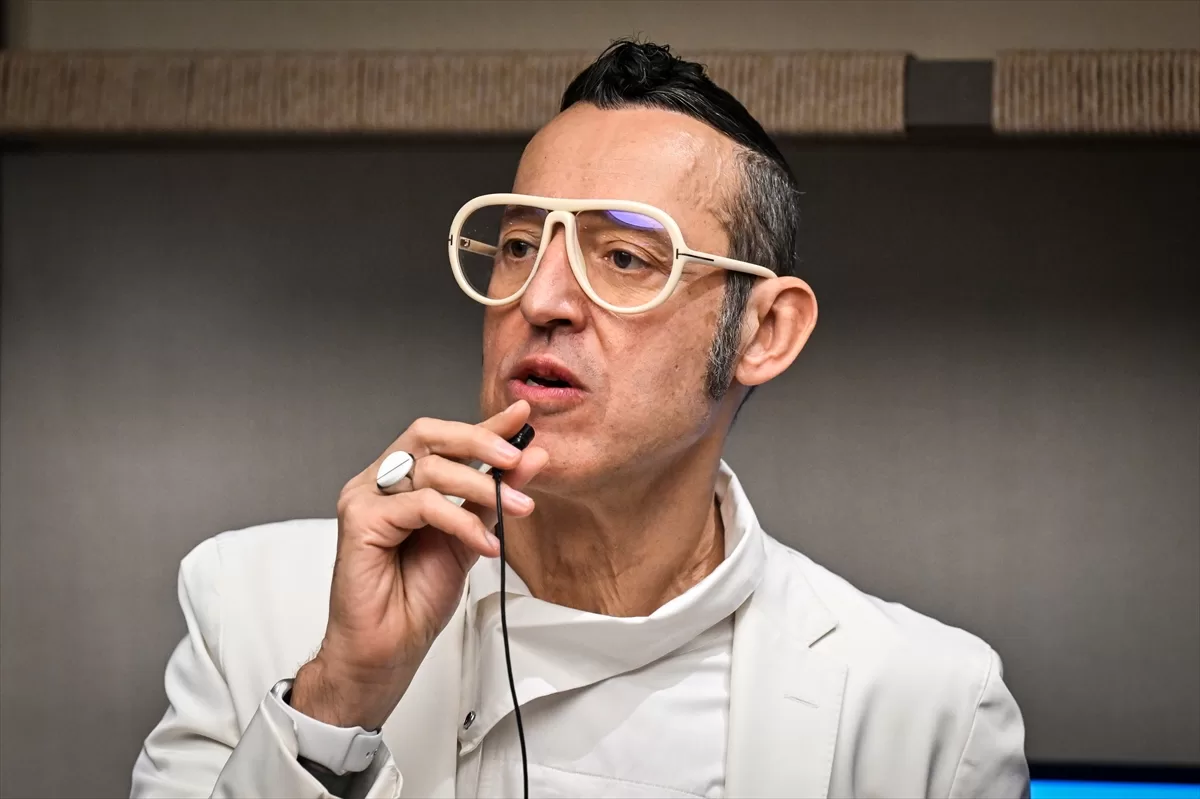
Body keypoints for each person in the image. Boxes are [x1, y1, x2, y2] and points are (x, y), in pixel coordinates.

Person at [131, 40, 1029, 799]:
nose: (542, 299)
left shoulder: (930, 708)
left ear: (764, 332)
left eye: (625, 256)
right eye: (521, 243)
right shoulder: (251, 604)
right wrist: (338, 700)